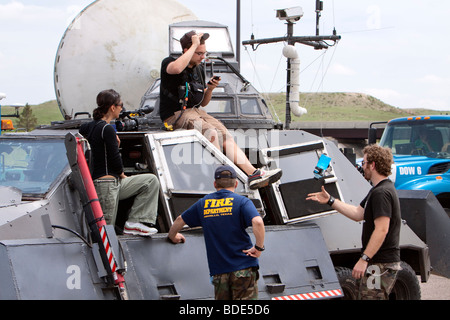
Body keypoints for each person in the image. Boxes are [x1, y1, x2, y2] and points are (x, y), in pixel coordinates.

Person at [159, 30, 281, 190]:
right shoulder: (170, 62)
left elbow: (202, 103)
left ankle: (253, 174)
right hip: (175, 115)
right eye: (199, 53)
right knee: (212, 133)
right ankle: (222, 177)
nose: (203, 57)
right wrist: (194, 44)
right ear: (186, 51)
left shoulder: (198, 70)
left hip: (194, 111)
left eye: (204, 53)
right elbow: (175, 69)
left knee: (225, 135)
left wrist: (209, 89)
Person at [306, 144, 401, 300]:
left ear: (373, 165)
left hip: (380, 264)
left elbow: (382, 230)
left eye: (364, 163)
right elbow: (358, 214)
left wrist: (364, 259)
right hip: (378, 263)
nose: (362, 166)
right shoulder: (377, 191)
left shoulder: (382, 193)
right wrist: (330, 200)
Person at [168, 165, 265, 300]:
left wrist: (172, 236)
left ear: (215, 184)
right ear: (236, 183)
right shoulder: (242, 201)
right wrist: (258, 248)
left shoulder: (203, 203)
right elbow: (258, 222)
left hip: (220, 272)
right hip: (244, 268)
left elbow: (179, 220)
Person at [79, 89, 160, 236]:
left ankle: (135, 222)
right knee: (106, 231)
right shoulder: (107, 129)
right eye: (120, 105)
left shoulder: (92, 127)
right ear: (112, 107)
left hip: (105, 184)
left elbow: (84, 128)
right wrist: (123, 175)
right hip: (107, 185)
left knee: (150, 181)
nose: (122, 108)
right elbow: (115, 159)